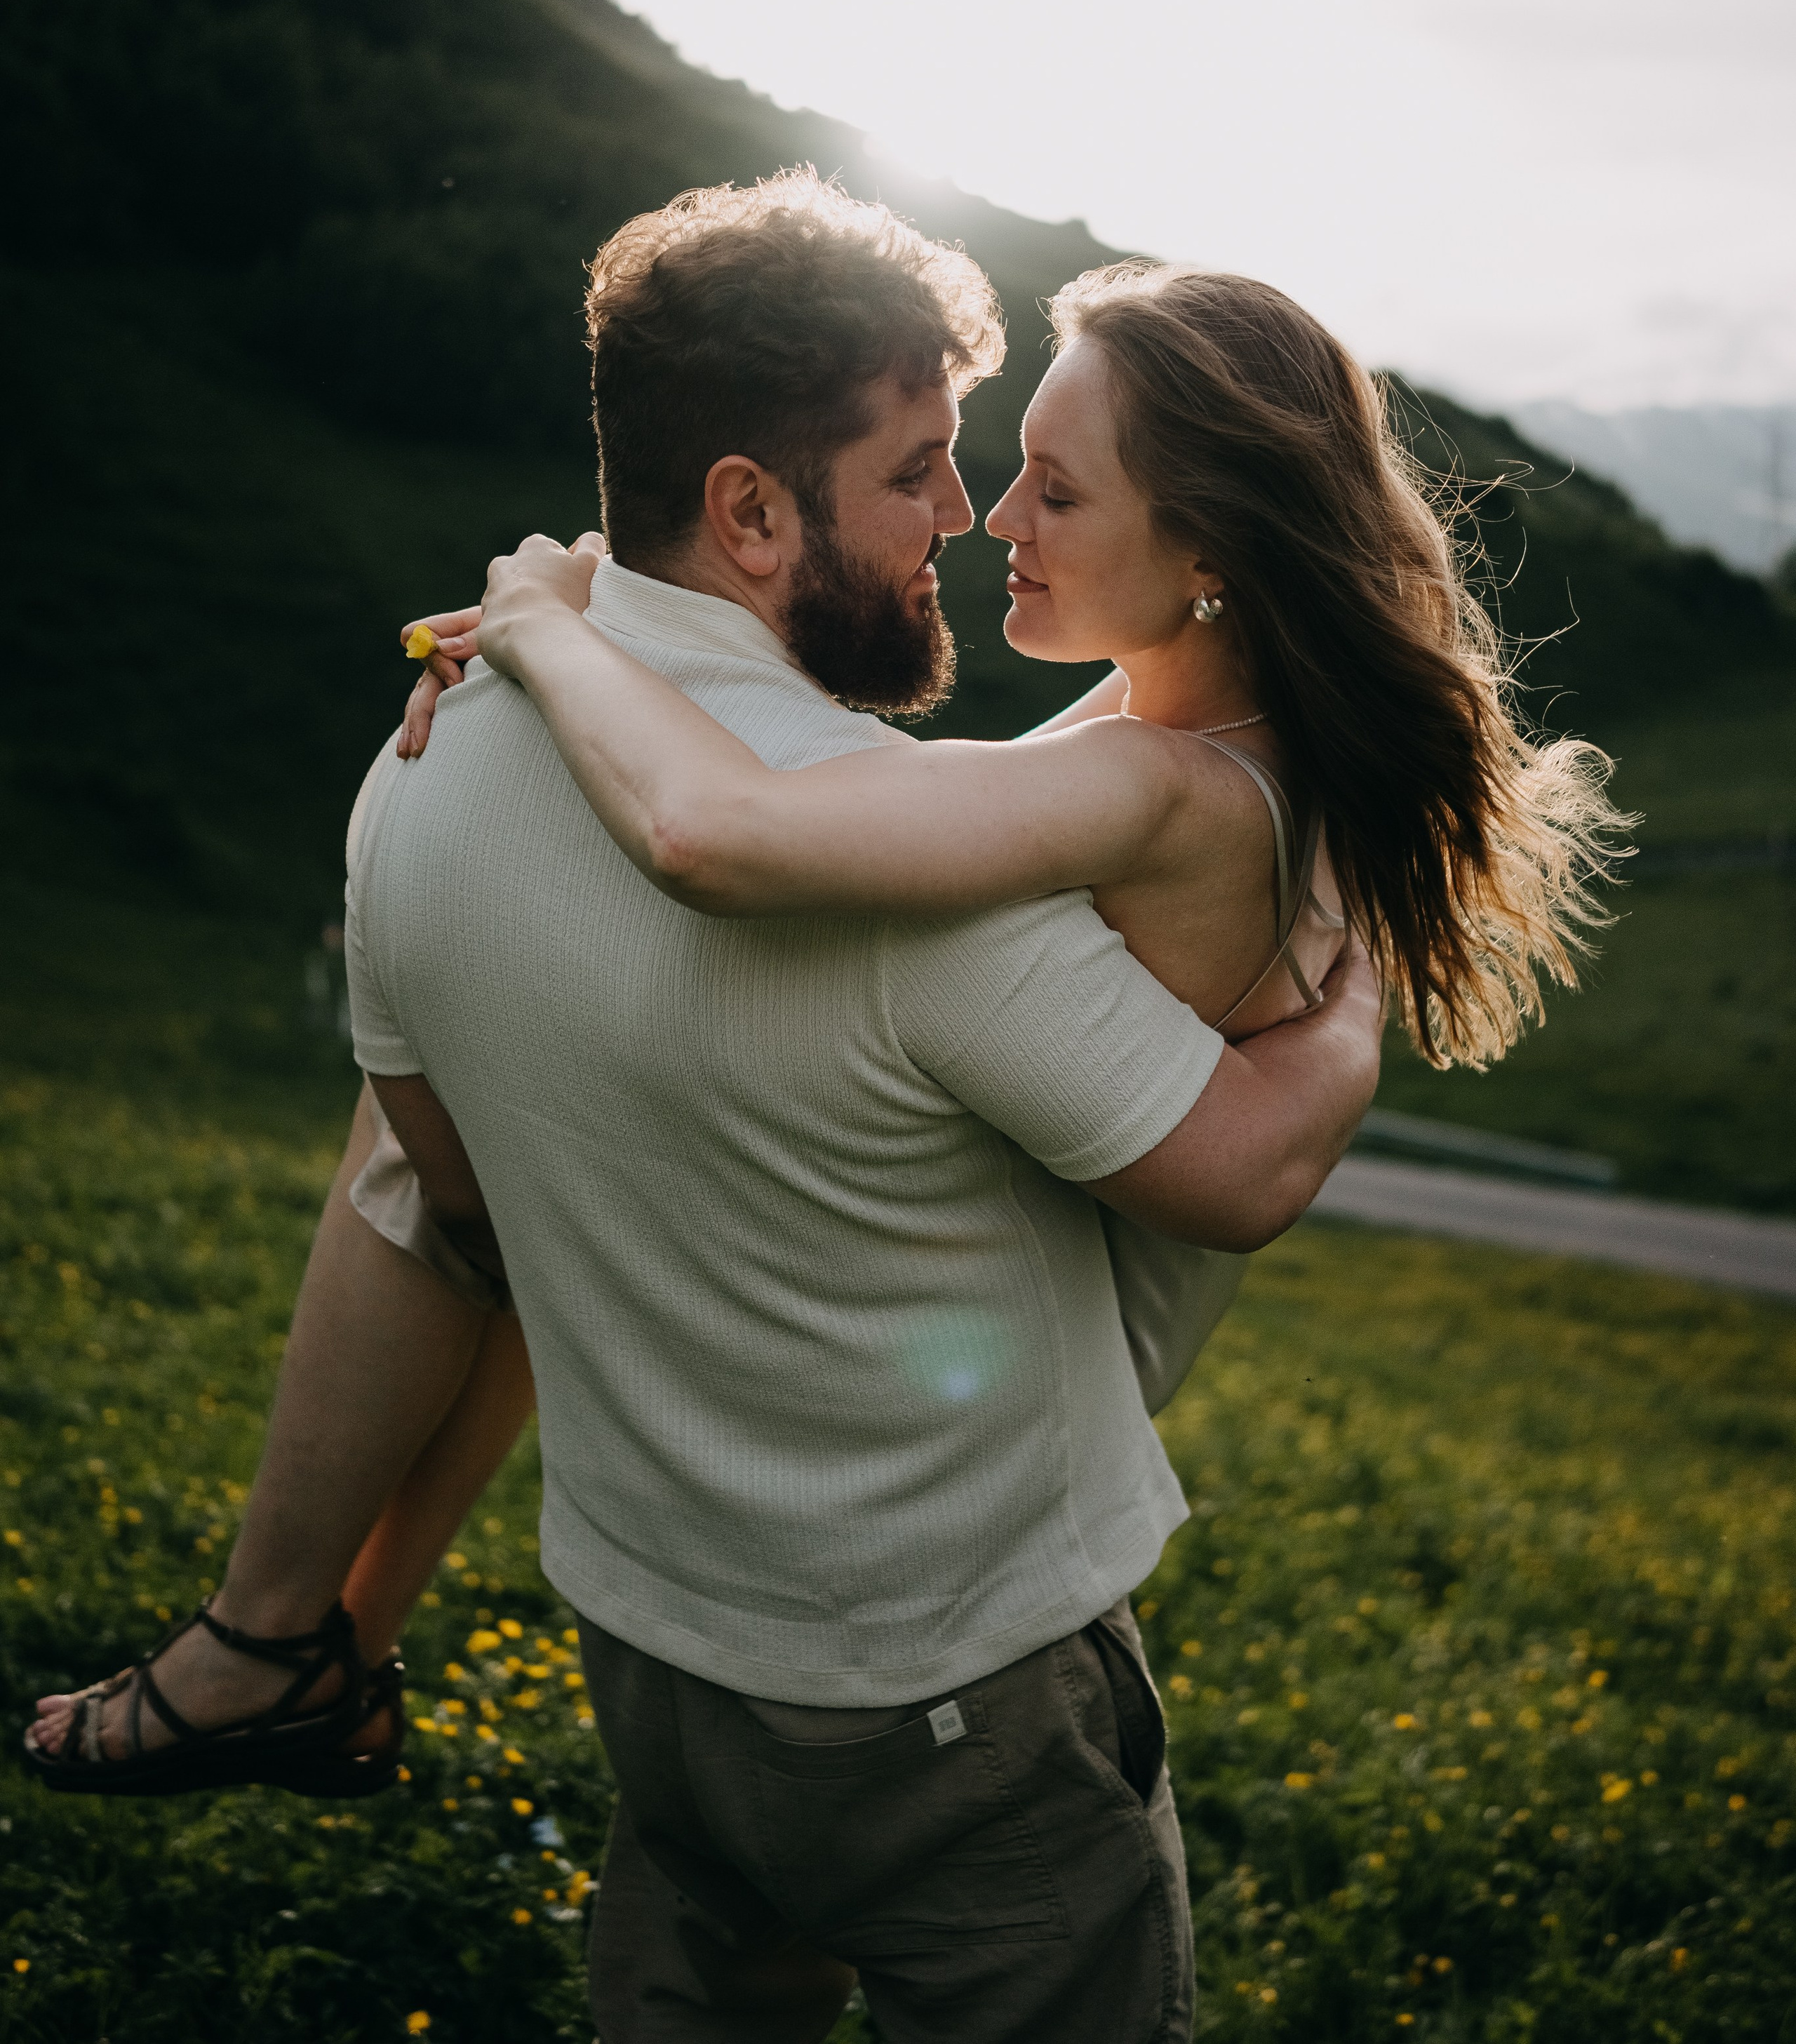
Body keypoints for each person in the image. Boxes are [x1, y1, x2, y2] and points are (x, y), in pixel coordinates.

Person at [27, 171, 1614, 2043]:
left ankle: (280, 1638)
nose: (974, 513)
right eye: (934, 466)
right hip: (961, 1690)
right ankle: (292, 1638)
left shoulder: (414, 786)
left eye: (1029, 477)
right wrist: (1353, 1019)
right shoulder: (970, 874)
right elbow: (747, 855)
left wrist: (551, 624)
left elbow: (465, 1197)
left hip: (658, 1659)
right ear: (752, 505)